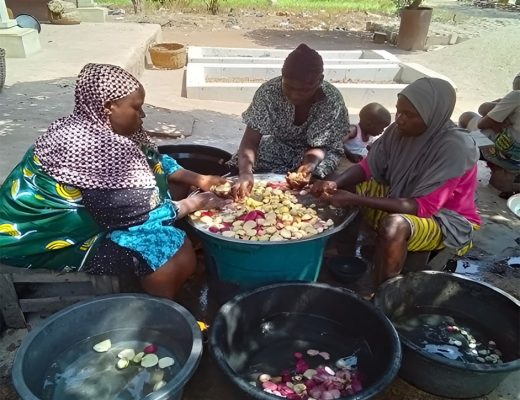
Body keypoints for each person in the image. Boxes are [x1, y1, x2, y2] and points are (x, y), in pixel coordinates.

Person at [0, 63, 229, 299]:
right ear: (109, 106)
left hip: (99, 213)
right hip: (42, 240)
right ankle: (163, 305)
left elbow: (153, 158)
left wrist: (200, 179)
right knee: (173, 251)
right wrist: (195, 204)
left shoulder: (93, 125)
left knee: (178, 187)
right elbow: (135, 217)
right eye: (136, 108)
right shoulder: (93, 147)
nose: (142, 115)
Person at [311, 78, 480, 288]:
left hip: (444, 218)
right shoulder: (397, 132)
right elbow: (367, 167)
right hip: (400, 194)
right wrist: (334, 183)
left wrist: (355, 199)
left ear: (432, 115)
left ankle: (384, 291)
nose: (399, 119)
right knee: (345, 185)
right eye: (398, 111)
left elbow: (422, 207)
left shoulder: (455, 148)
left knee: (393, 226)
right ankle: (342, 254)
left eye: (409, 114)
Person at [228, 43, 350, 200]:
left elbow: (319, 146)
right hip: (281, 146)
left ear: (320, 80)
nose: (295, 95)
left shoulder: (331, 100)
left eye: (304, 90)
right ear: (282, 76)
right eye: (289, 87)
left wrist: (308, 168)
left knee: (320, 177)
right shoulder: (268, 92)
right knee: (240, 162)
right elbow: (251, 140)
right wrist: (245, 173)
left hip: (320, 152)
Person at [459, 72, 520, 161]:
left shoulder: (516, 95)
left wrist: (493, 123)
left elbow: (481, 124)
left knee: (466, 116)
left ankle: (468, 155)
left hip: (504, 154)